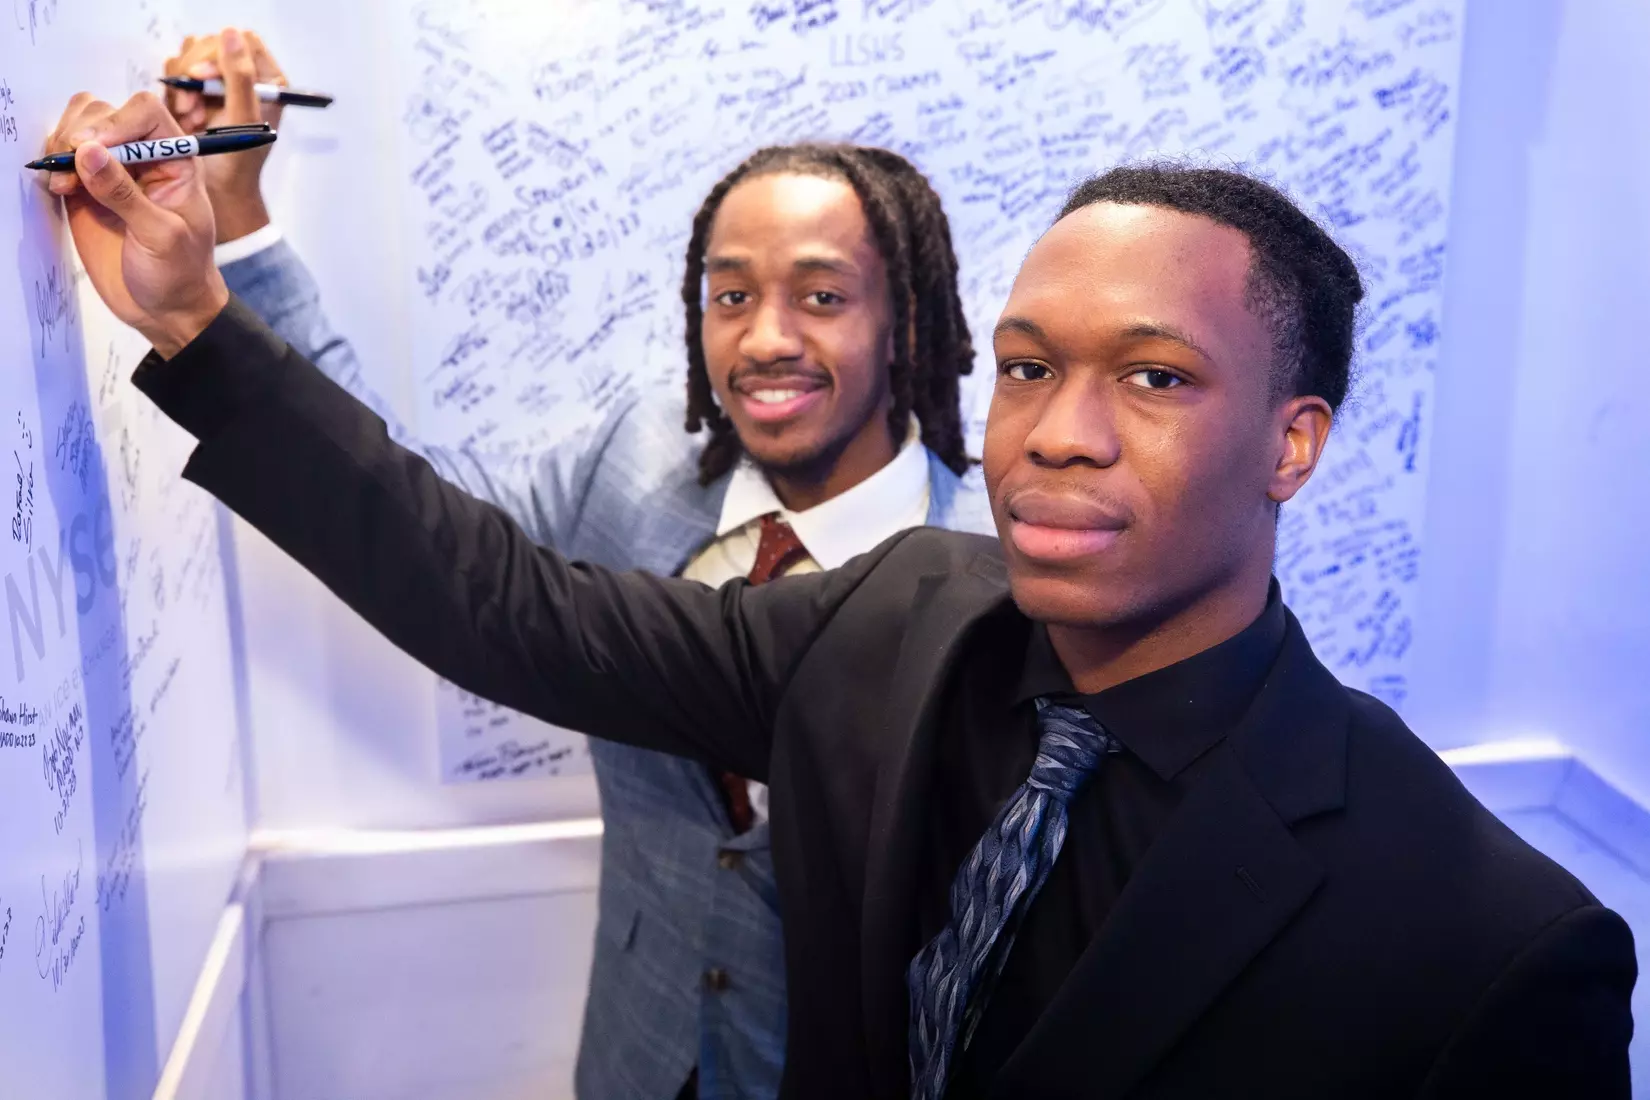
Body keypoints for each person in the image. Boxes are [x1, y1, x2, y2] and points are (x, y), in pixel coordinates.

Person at [44, 90, 1637, 1099]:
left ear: (1293, 442)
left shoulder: (1489, 943)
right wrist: (196, 319)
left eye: (1151, 377)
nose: (1057, 434)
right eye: (1026, 370)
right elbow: (497, 598)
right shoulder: (901, 613)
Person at [159, 30, 995, 1100]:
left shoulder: (986, 570)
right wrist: (236, 221)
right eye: (729, 295)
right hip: (643, 1052)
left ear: (907, 319)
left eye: (823, 297)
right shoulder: (637, 459)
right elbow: (395, 495)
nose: (764, 338)